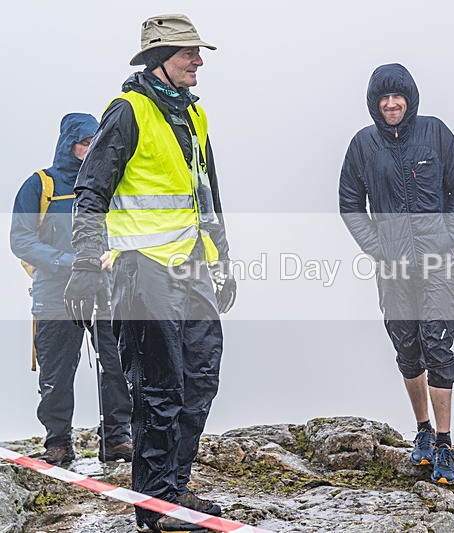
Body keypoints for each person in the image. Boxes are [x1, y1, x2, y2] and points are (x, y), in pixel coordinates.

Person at [64, 14, 236, 533]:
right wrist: (84, 266)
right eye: (189, 53)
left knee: (201, 378)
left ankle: (174, 488)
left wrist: (223, 260)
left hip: (192, 269)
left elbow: (207, 195)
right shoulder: (127, 112)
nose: (198, 60)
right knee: (160, 389)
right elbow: (91, 192)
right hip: (142, 271)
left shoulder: (195, 116)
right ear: (160, 57)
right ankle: (156, 508)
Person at [339, 63, 454, 484]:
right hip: (393, 267)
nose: (392, 103)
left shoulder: (435, 133)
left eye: (398, 96)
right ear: (374, 103)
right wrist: (378, 247)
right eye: (384, 97)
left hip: (439, 264)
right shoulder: (363, 145)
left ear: (409, 99)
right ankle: (422, 432)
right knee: (408, 348)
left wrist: (447, 234)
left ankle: (445, 443)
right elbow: (349, 204)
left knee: (438, 345)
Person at [10, 113, 133, 466]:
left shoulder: (112, 183)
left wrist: (117, 254)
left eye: (96, 141)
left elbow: (129, 229)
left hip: (108, 292)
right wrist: (71, 261)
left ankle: (117, 438)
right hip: (54, 295)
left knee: (117, 364)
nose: (91, 148)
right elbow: (21, 240)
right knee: (57, 371)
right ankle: (58, 443)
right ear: (68, 143)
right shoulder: (40, 185)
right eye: (84, 142)